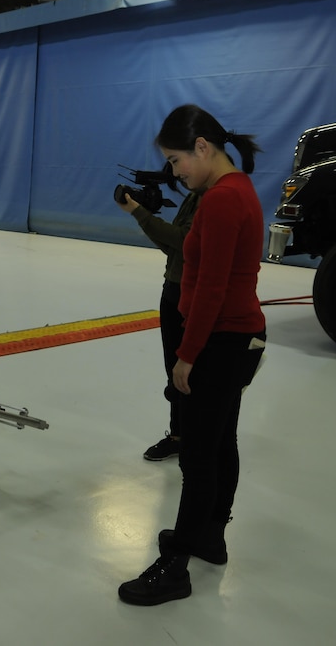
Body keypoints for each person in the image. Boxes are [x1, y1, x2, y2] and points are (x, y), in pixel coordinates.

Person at [118, 104, 266, 607]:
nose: (176, 172)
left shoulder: (223, 200)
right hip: (234, 339)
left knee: (200, 453)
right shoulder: (233, 189)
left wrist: (186, 355)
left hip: (222, 340)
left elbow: (210, 290)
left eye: (177, 160)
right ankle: (210, 537)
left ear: (202, 147)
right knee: (221, 440)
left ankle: (177, 563)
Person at [116, 177, 202, 462]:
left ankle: (195, 438)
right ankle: (179, 437)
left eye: (179, 162)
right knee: (173, 369)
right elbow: (173, 247)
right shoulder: (192, 197)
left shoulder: (211, 198)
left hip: (189, 293)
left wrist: (139, 213)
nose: (179, 174)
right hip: (173, 290)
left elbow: (182, 240)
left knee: (189, 371)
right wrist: (143, 216)